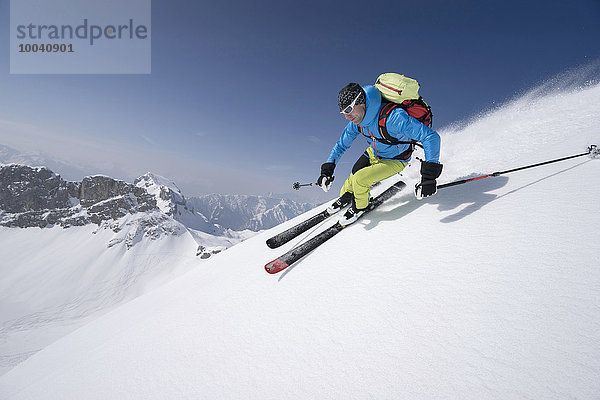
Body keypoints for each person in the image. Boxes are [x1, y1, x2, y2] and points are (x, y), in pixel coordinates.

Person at [317, 82, 442, 226]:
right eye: (344, 112)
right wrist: (327, 169)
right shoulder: (357, 122)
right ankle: (348, 194)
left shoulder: (394, 118)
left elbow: (430, 137)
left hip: (395, 159)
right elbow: (341, 145)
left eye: (349, 109)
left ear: (361, 103)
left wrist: (428, 177)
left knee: (359, 180)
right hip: (375, 152)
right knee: (353, 174)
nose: (347, 116)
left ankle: (361, 207)